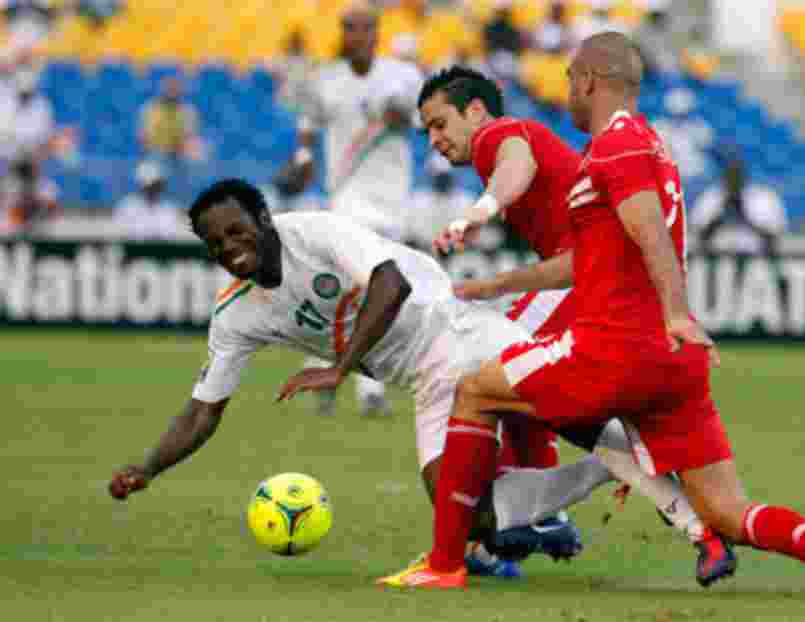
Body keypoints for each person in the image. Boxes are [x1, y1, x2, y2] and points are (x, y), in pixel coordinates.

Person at [379, 32, 805, 604]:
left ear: (587, 82)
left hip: (615, 349)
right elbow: (588, 259)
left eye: (569, 86)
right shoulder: (649, 148)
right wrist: (499, 284)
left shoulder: (612, 146)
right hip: (673, 367)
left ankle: (446, 563)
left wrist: (676, 312)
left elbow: (645, 226)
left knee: (475, 391)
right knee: (730, 511)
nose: (565, 99)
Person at [108, 179, 649, 579]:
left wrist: (339, 370)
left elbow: (391, 285)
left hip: (452, 326)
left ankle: (690, 493)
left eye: (235, 230)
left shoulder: (316, 233)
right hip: (424, 375)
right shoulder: (237, 314)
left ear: (264, 218)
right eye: (215, 244)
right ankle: (593, 479)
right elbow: (206, 409)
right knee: (464, 515)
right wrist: (149, 467)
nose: (229, 247)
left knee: (580, 409)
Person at [415, 64, 737, 587]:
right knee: (526, 394)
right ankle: (693, 525)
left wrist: (480, 211)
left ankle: (511, 526)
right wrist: (496, 284)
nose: (434, 140)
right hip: (592, 284)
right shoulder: (515, 144)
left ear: (475, 111)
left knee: (487, 379)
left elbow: (514, 166)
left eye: (439, 123)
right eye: (427, 131)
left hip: (584, 287)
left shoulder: (499, 135)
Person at [300, 2, 423, 418]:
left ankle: (352, 382)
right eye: (348, 28)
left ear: (376, 32)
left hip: (392, 202)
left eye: (363, 28)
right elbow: (308, 122)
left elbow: (423, 116)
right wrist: (302, 157)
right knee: (349, 290)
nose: (355, 35)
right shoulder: (326, 81)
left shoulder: (403, 77)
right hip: (346, 199)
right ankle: (339, 379)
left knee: (380, 299)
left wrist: (401, 113)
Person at [691, 155, 786, 255]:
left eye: (737, 176)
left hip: (757, 260)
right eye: (730, 176)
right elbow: (699, 236)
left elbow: (774, 237)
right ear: (724, 177)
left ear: (745, 176)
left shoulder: (764, 198)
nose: (734, 181)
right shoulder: (710, 198)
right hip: (716, 259)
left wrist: (744, 216)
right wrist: (723, 214)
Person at [112, 160, 186, 240]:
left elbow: (172, 235)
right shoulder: (127, 206)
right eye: (151, 184)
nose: (154, 188)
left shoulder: (169, 208)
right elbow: (120, 234)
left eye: (157, 184)